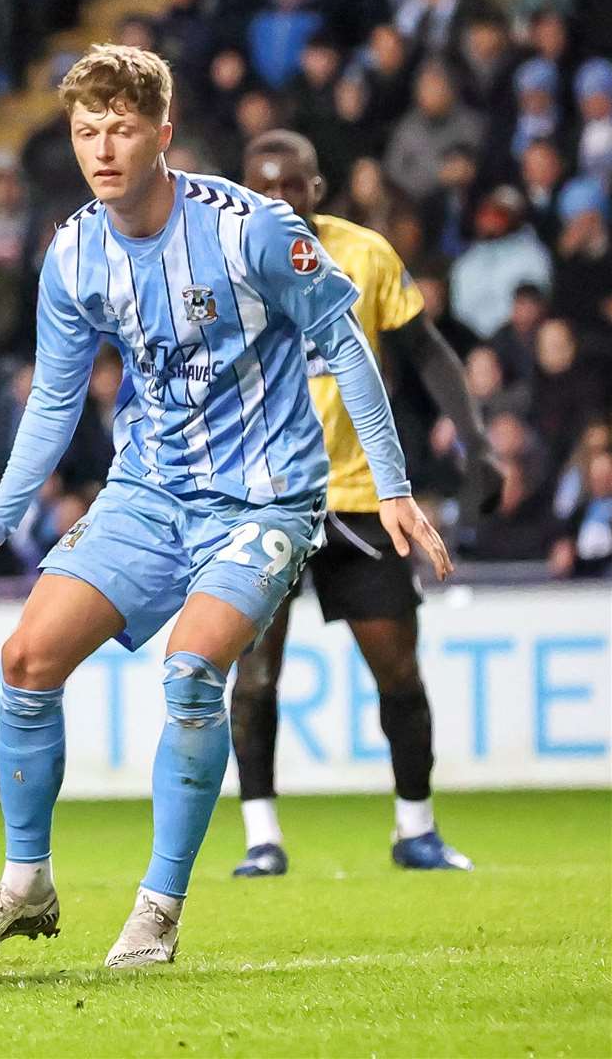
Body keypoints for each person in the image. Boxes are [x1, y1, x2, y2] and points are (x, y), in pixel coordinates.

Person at [0, 45, 452, 971]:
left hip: (268, 497)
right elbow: (53, 399)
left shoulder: (252, 229)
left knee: (192, 669)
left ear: (162, 133)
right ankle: (25, 885)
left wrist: (394, 486)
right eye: (87, 131)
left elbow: (347, 343)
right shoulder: (75, 251)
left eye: (122, 128)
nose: (102, 148)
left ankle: (157, 910)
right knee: (25, 657)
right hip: (149, 491)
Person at [229, 130, 502, 878]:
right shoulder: (218, 264)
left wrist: (476, 440)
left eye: (293, 187)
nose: (279, 200)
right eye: (264, 188)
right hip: (261, 504)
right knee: (254, 678)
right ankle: (262, 839)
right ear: (246, 192)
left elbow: (429, 352)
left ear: (319, 191)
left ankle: (416, 829)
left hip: (360, 502)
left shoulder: (366, 255)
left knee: (399, 674)